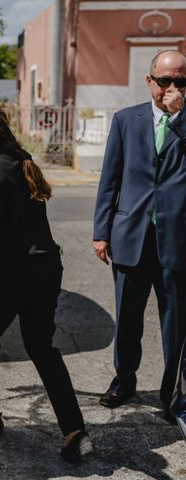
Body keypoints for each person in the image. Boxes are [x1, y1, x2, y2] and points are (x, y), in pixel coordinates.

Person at [0, 97, 92, 464]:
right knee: (42, 347)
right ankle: (75, 429)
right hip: (46, 265)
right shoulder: (20, 158)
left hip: (13, 271)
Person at [93, 50, 186, 424]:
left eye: (181, 81)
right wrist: (101, 232)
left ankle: (173, 393)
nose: (172, 89)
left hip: (177, 239)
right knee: (127, 317)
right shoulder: (125, 120)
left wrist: (178, 119)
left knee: (175, 322)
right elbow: (109, 180)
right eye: (165, 81)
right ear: (150, 81)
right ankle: (124, 380)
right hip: (131, 236)